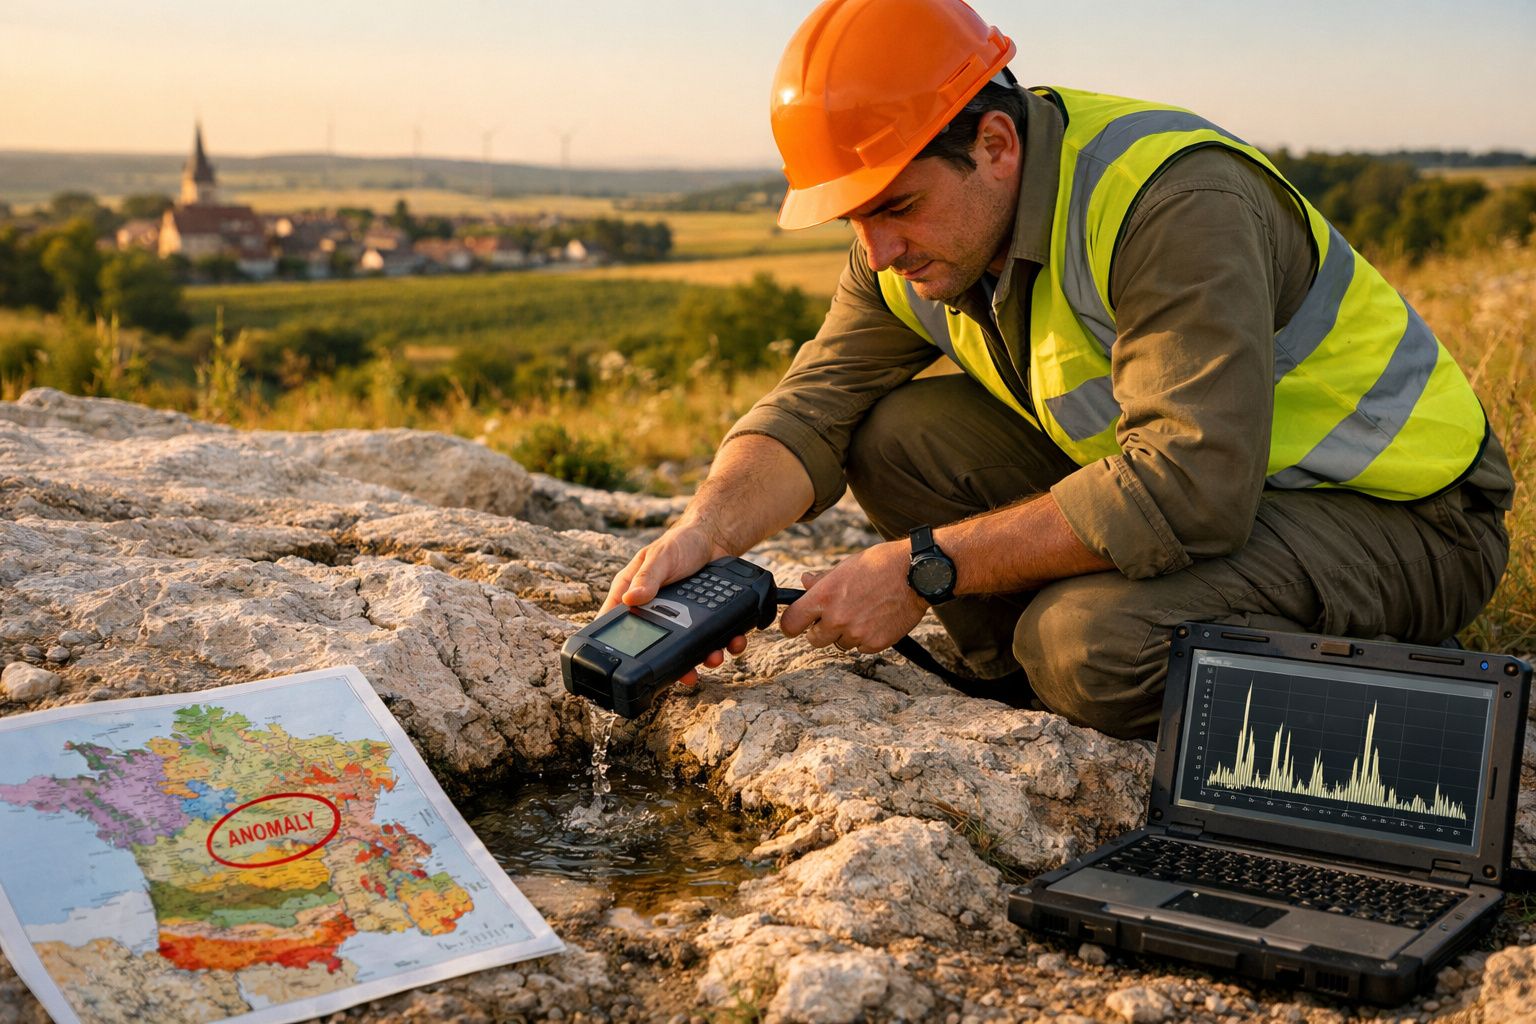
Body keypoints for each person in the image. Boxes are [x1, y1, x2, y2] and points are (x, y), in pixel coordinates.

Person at [601, 0, 1513, 740]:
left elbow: (1191, 487)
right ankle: (1029, 700)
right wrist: (705, 533)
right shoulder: (913, 245)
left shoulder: (1171, 202)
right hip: (1239, 504)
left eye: (898, 207)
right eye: (854, 218)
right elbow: (812, 410)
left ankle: (1406, 713)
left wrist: (923, 569)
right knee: (897, 436)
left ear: (996, 145)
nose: (877, 251)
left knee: (1087, 644)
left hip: (1406, 517)